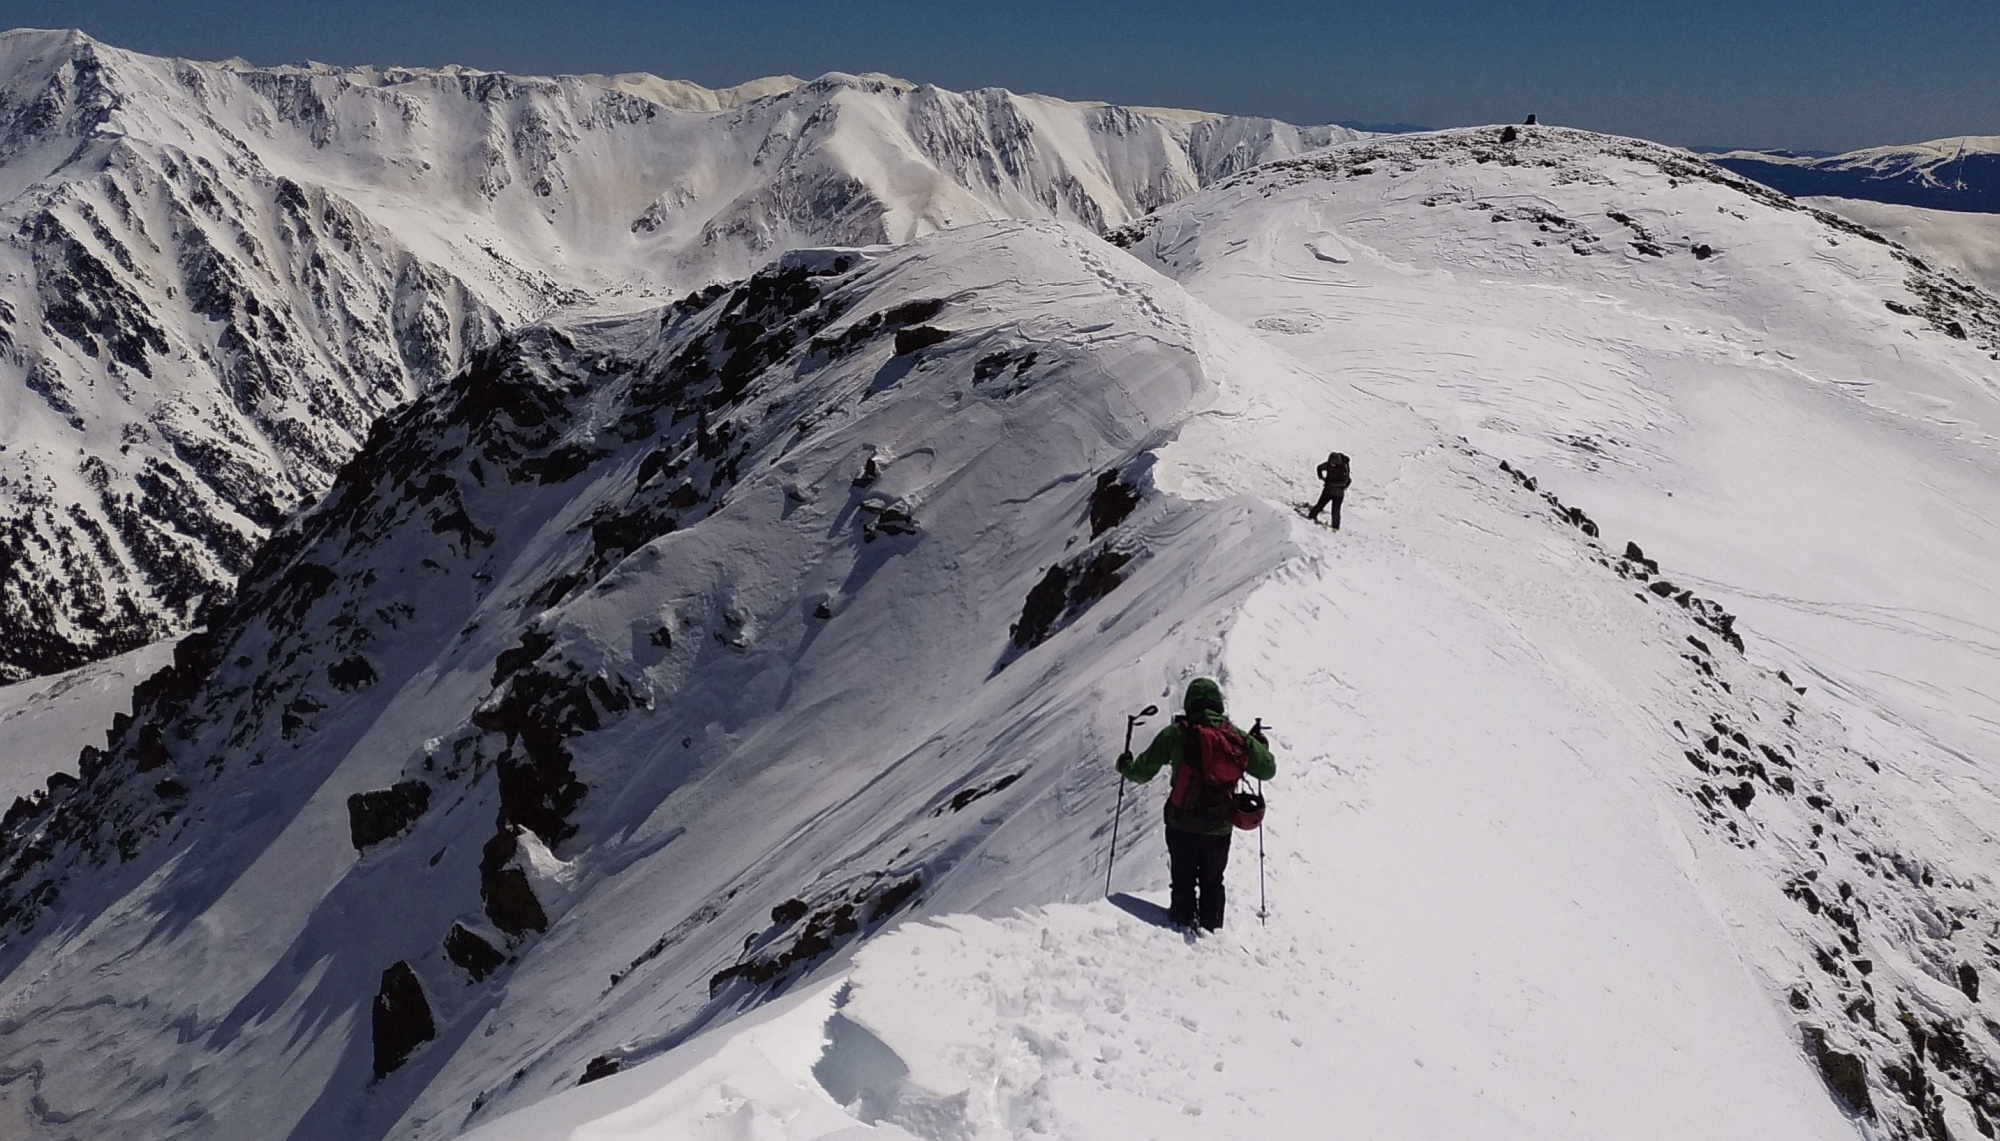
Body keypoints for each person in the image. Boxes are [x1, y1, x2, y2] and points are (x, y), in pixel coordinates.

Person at [1116, 678, 1276, 931]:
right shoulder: (1235, 737)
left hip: (1181, 821)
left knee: (1183, 880)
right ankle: (1212, 934)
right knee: (1213, 882)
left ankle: (1181, 927)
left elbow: (1142, 773)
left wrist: (1125, 765)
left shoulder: (1176, 733)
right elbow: (1267, 770)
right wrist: (1260, 746)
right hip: (1219, 826)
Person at [1308, 451, 1351, 528]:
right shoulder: (1328, 464)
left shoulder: (1344, 468)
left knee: (1335, 511)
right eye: (1330, 463)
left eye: (1333, 464)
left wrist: (1331, 484)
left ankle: (1335, 528)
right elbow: (1319, 468)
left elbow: (1345, 482)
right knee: (1320, 505)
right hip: (1328, 491)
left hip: (1338, 494)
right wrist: (1321, 477)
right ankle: (1311, 517)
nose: (1331, 465)